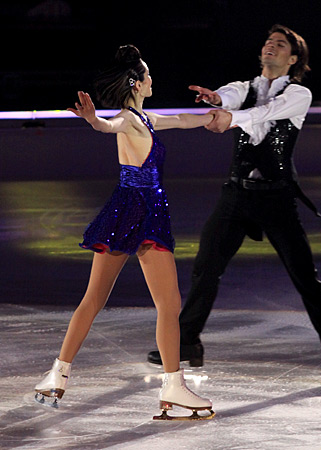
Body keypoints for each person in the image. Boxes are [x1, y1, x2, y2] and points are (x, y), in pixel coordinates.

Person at [148, 25, 321, 384]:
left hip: (277, 199)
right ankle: (187, 341)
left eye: (279, 44)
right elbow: (229, 96)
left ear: (293, 59)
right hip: (236, 196)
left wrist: (230, 118)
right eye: (267, 42)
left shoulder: (299, 95)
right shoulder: (244, 88)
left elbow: (266, 112)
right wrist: (216, 100)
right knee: (206, 268)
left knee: (306, 279)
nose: (270, 46)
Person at [34, 45, 215, 420]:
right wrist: (93, 120)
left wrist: (216, 116)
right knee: (167, 304)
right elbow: (108, 126)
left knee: (95, 299)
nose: (152, 80)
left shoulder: (145, 118)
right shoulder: (128, 120)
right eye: (147, 75)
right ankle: (173, 385)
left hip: (130, 209)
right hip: (140, 210)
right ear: (136, 82)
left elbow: (181, 120)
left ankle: (58, 374)